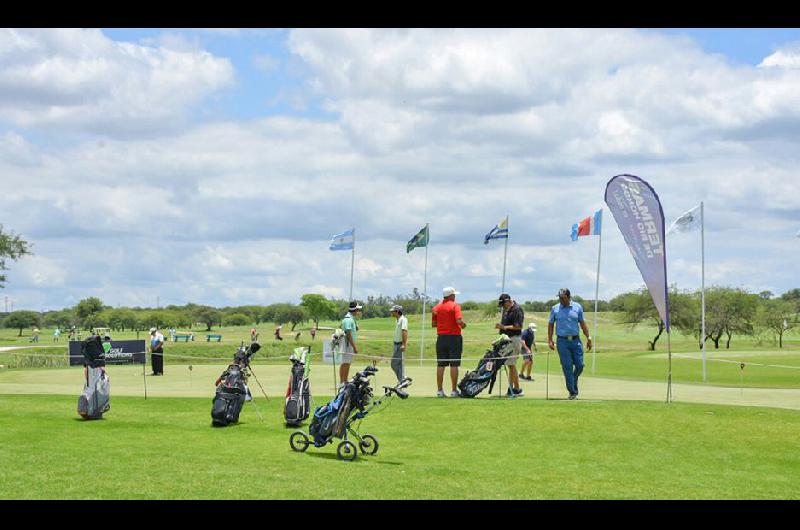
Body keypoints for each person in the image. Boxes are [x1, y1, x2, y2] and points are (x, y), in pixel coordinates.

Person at [548, 288, 592, 400]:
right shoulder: (555, 308)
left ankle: (572, 379)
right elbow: (551, 324)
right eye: (559, 298)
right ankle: (572, 392)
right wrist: (550, 339)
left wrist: (588, 337)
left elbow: (582, 323)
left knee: (580, 365)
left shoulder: (578, 307)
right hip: (562, 341)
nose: (561, 300)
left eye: (563, 298)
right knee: (567, 367)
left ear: (569, 297)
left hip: (576, 340)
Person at [432, 287, 467, 397]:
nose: (455, 296)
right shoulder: (455, 306)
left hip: (441, 338)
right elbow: (459, 320)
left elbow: (433, 324)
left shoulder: (436, 307)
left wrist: (444, 324)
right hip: (454, 337)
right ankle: (453, 390)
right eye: (454, 295)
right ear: (451, 296)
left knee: (441, 364)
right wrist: (463, 325)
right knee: (454, 364)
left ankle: (439, 390)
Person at [495, 293, 524, 397]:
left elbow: (518, 326)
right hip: (507, 339)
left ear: (508, 301)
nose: (502, 307)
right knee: (511, 365)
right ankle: (517, 389)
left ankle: (511, 389)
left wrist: (503, 327)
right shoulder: (506, 310)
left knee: (511, 364)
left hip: (514, 339)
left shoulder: (517, 309)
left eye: (503, 304)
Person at [340, 301, 362, 384]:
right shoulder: (348, 319)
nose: (359, 311)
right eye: (358, 310)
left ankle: (344, 380)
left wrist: (355, 327)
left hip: (348, 344)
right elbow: (348, 334)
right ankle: (343, 381)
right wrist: (354, 346)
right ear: (355, 310)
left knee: (347, 362)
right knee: (345, 363)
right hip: (348, 344)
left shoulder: (350, 319)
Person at [390, 304, 408, 382]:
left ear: (397, 311)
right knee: (399, 364)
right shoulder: (397, 320)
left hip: (400, 344)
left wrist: (404, 344)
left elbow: (404, 331)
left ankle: (402, 378)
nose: (391, 312)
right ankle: (401, 380)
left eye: (393, 311)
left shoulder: (403, 319)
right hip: (396, 344)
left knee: (394, 364)